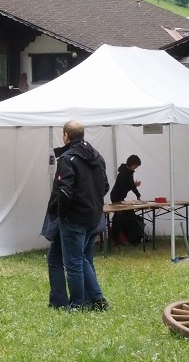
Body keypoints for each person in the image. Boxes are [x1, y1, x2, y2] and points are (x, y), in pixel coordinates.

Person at [46, 121, 110, 311]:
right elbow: (105, 186)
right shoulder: (97, 156)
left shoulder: (67, 158)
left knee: (74, 262)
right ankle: (61, 301)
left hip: (73, 218)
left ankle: (79, 303)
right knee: (63, 258)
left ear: (66, 136)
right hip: (93, 216)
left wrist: (62, 212)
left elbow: (64, 191)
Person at [109, 155, 144, 245]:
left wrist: (137, 194)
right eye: (135, 165)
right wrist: (135, 189)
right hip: (116, 196)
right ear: (131, 164)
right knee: (119, 215)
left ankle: (118, 236)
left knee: (121, 215)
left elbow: (130, 185)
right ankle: (117, 236)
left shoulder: (129, 172)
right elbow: (125, 186)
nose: (136, 167)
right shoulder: (123, 174)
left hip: (121, 197)